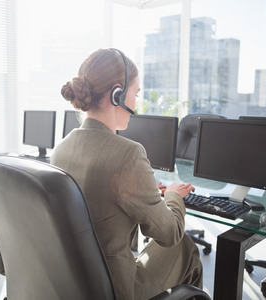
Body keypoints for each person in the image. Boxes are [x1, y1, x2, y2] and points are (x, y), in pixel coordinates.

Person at [51, 48, 202, 300]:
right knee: (184, 246)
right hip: (115, 288)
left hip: (73, 284)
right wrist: (174, 196)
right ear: (117, 94)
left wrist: (145, 188)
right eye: (135, 93)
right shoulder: (128, 154)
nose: (136, 102)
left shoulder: (61, 148)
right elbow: (169, 234)